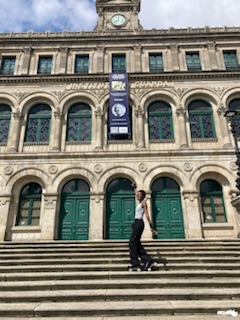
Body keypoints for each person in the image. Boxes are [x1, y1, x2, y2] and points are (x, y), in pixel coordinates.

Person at [128, 183, 158, 271]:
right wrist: (134, 187)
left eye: (139, 195)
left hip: (139, 223)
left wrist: (151, 227)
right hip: (136, 223)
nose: (137, 196)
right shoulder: (140, 202)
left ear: (143, 196)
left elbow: (147, 215)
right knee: (137, 243)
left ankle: (135, 263)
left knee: (132, 243)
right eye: (137, 195)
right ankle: (148, 260)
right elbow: (136, 192)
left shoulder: (144, 203)